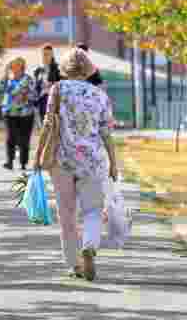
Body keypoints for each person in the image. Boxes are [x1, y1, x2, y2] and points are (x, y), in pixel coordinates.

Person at [34, 48, 118, 282]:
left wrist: (38, 154)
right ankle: (89, 246)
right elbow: (106, 132)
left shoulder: (57, 90)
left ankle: (74, 264)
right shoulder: (100, 95)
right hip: (91, 160)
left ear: (65, 69)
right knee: (92, 210)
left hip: (62, 160)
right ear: (88, 69)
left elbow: (48, 124)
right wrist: (113, 163)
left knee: (67, 214)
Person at [0, 57, 36, 172]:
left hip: (26, 113)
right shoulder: (8, 79)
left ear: (22, 66)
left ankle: (23, 162)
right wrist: (5, 72)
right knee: (10, 137)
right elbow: (0, 88)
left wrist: (25, 96)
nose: (15, 67)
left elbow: (35, 95)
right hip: (10, 112)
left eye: (18, 65)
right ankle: (9, 161)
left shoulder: (28, 79)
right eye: (13, 65)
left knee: (24, 139)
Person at [33, 44, 62, 119]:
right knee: (43, 125)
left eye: (48, 54)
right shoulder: (38, 70)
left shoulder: (58, 69)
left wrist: (53, 85)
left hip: (54, 102)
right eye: (44, 54)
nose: (45, 57)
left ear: (52, 55)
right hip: (41, 102)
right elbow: (36, 87)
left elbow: (61, 85)